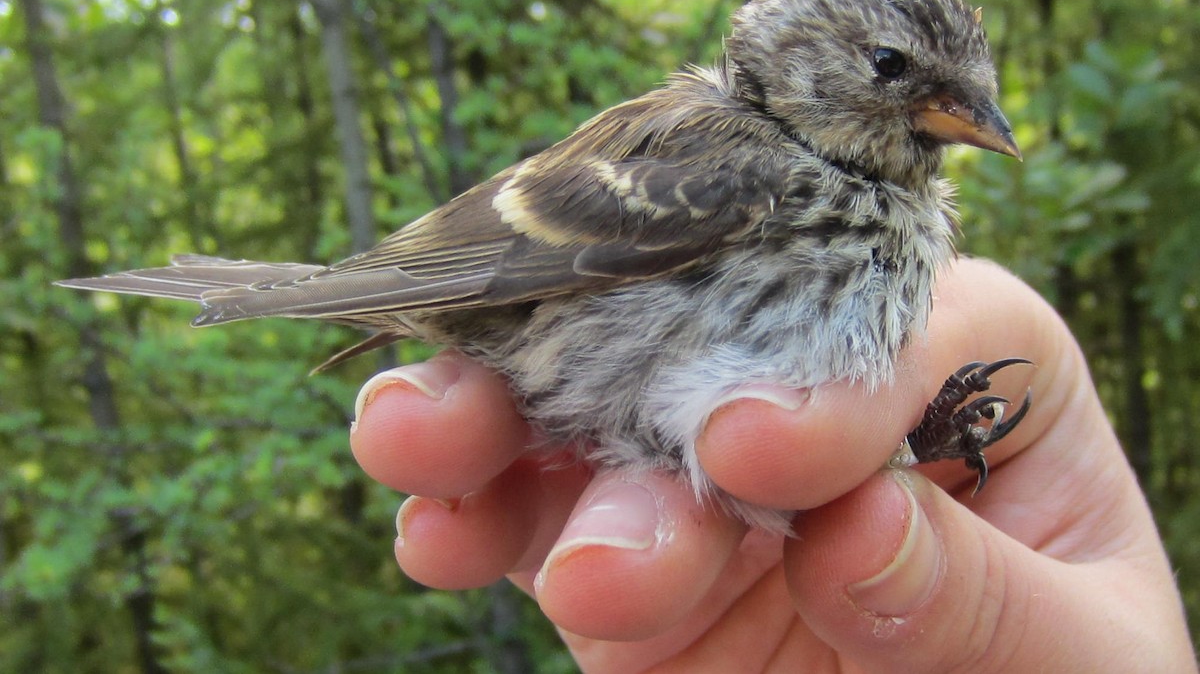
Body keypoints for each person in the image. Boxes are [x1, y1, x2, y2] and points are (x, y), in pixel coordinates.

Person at [349, 258, 1196, 672]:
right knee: (773, 448)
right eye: (894, 70)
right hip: (565, 343)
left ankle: (898, 444)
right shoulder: (746, 163)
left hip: (692, 460)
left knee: (792, 453)